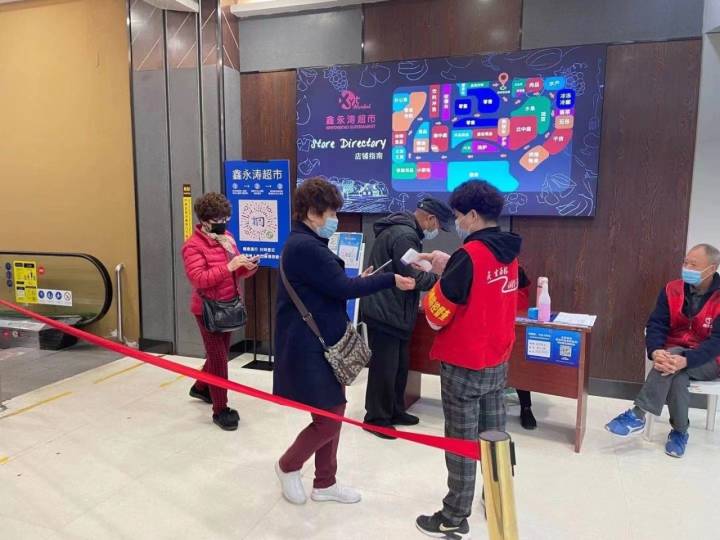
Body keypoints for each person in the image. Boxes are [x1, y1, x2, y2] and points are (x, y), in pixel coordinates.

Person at [273, 177, 415, 506]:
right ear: (312, 212)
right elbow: (343, 289)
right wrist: (390, 279)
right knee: (330, 417)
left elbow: (330, 286)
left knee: (332, 410)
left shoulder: (305, 241)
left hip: (320, 342)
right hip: (311, 345)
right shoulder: (306, 247)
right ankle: (288, 465)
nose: (335, 220)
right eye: (332, 213)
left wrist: (357, 281)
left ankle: (325, 482)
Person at [413, 180, 522, 540]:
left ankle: (453, 516)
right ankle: (497, 499)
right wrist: (450, 268)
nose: (457, 222)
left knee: (460, 443)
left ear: (473, 215)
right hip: (497, 360)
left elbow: (436, 315)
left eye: (459, 216)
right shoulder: (510, 252)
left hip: (463, 364)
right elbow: (498, 291)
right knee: (495, 436)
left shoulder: (469, 255)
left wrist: (435, 287)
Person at [605, 243, 720, 458]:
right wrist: (656, 350)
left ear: (711, 269)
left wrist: (687, 359)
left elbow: (717, 342)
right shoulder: (671, 289)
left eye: (693, 265)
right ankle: (680, 432)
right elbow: (656, 324)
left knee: (675, 358)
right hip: (671, 355)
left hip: (710, 359)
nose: (686, 268)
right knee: (677, 376)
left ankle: (638, 414)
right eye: (685, 262)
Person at [361, 197, 454, 438]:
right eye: (438, 225)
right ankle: (376, 419)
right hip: (386, 311)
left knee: (399, 366)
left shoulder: (403, 231)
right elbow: (414, 277)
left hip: (394, 310)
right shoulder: (404, 236)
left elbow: (410, 270)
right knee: (384, 369)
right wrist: (442, 280)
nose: (436, 230)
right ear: (430, 218)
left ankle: (394, 410)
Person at [182, 192, 259, 431]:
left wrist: (248, 266)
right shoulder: (192, 246)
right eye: (218, 219)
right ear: (205, 221)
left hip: (228, 305)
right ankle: (220, 409)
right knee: (219, 359)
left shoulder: (228, 238)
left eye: (226, 218)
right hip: (207, 309)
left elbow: (236, 273)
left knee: (219, 354)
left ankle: (201, 387)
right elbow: (199, 279)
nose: (223, 223)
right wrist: (229, 266)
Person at [515, 266, 537, 430]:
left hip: (514, 328)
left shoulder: (516, 270)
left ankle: (526, 407)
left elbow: (521, 302)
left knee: (520, 366)